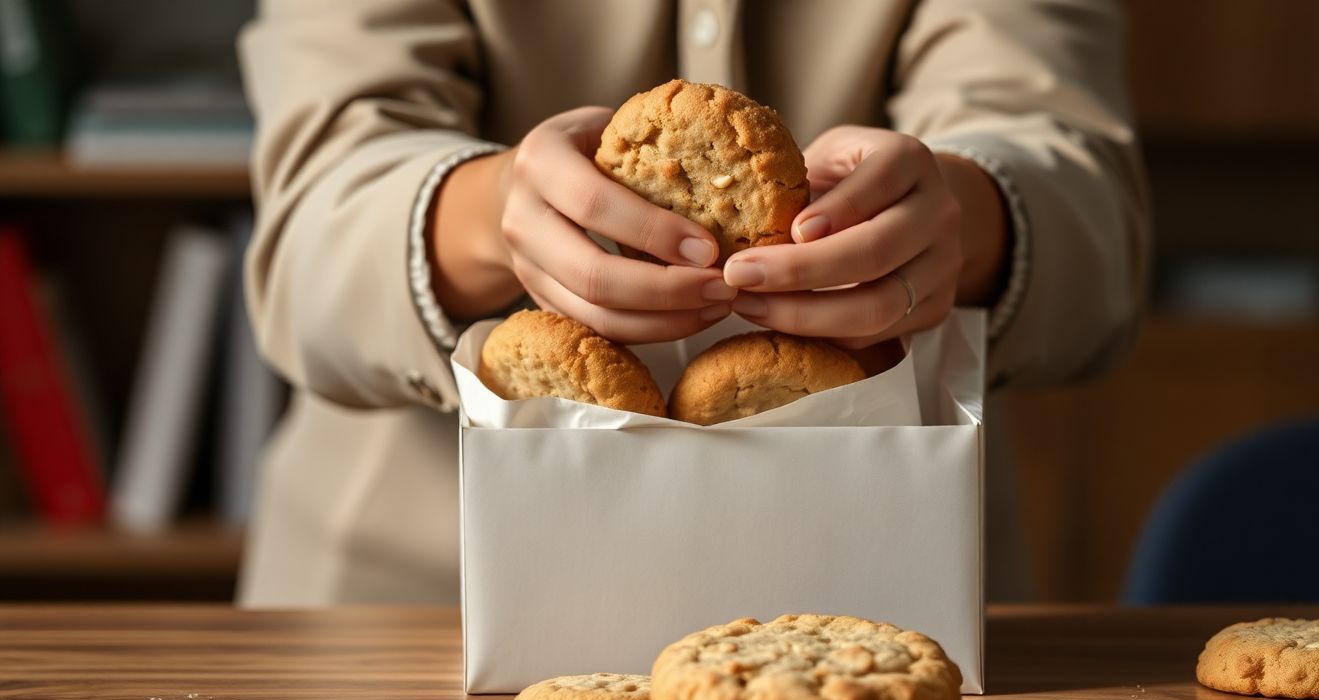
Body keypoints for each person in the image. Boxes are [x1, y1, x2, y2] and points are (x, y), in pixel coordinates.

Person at [236, 0, 1148, 605]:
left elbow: (1097, 224)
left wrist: (961, 218)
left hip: (880, 582)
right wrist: (493, 212)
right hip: (420, 605)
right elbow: (304, 243)